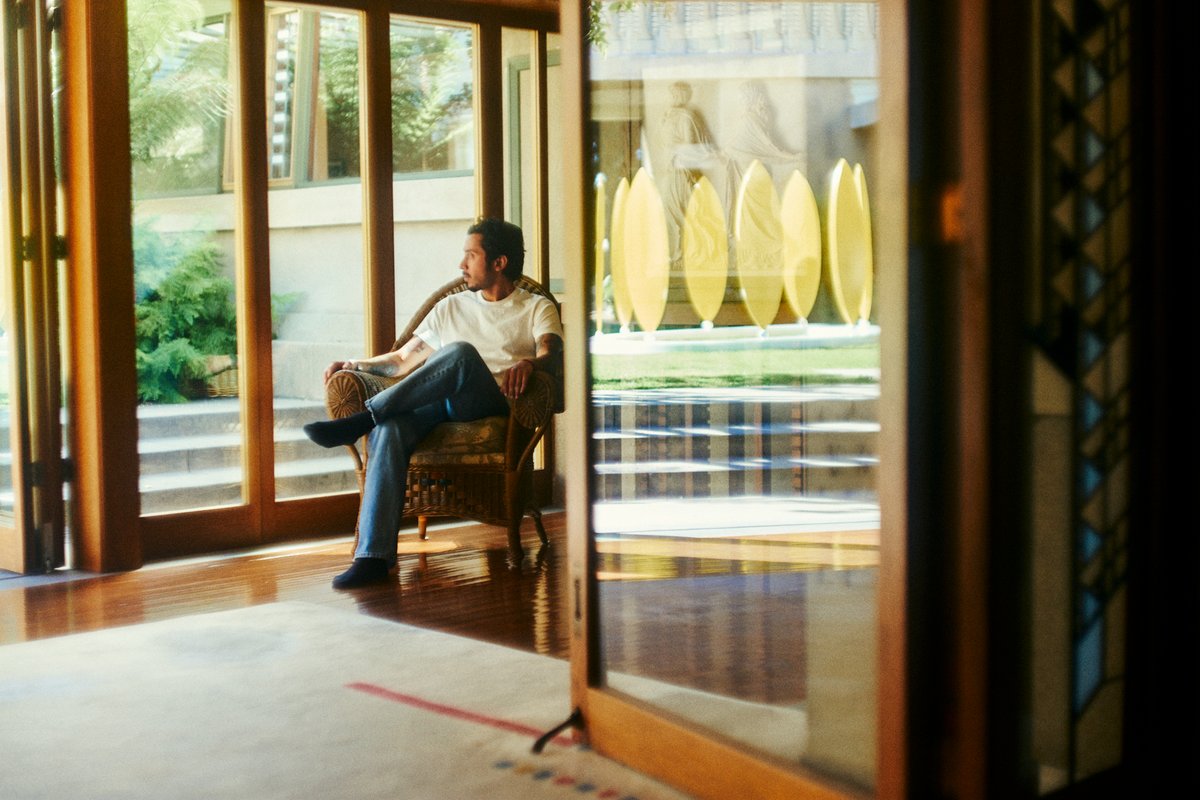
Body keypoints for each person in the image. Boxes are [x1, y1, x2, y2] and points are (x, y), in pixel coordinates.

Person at [303, 218, 564, 589]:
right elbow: (400, 360)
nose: (462, 265)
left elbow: (551, 355)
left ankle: (368, 416)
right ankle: (373, 558)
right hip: (441, 404)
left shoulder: (535, 307)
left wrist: (529, 363)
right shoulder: (451, 307)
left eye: (470, 255)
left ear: (499, 262)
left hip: (490, 403)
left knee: (459, 354)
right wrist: (353, 364)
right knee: (390, 429)